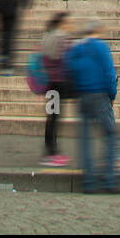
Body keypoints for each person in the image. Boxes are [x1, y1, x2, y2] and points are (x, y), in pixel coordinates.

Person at [65, 20, 119, 194]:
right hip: (100, 96)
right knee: (110, 135)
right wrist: (112, 95)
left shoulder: (75, 48)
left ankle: (88, 182)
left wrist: (76, 92)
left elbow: (69, 71)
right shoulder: (101, 47)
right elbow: (110, 73)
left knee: (85, 141)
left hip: (83, 97)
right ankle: (109, 179)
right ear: (97, 31)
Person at [40, 11, 72, 166]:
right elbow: (67, 58)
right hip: (60, 81)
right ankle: (53, 152)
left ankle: (50, 149)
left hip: (49, 82)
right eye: (67, 22)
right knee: (56, 116)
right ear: (61, 23)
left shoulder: (46, 37)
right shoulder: (63, 38)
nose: (69, 25)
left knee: (51, 116)